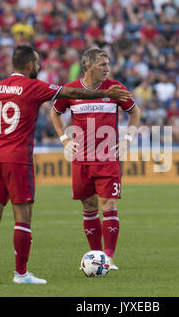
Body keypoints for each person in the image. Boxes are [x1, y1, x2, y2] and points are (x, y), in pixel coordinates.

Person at [0, 45, 130, 285]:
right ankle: (21, 274)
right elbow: (73, 93)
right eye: (38, 62)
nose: (40, 66)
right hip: (18, 159)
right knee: (23, 215)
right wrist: (108, 95)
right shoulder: (33, 87)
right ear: (30, 65)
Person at [51, 47, 141, 270]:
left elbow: (135, 112)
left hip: (108, 158)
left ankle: (108, 258)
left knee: (109, 204)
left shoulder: (115, 88)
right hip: (81, 159)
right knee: (89, 206)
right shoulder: (71, 90)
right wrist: (65, 139)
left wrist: (127, 139)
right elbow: (54, 112)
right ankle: (96, 254)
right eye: (102, 65)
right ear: (88, 66)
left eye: (108, 64)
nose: (107, 69)